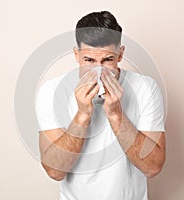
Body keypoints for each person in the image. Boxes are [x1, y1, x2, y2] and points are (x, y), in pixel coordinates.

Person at [36, 11, 166, 200]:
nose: (99, 70)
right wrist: (82, 115)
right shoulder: (51, 91)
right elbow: (55, 172)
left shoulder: (145, 88)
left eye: (107, 60)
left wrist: (116, 114)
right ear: (76, 54)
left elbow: (153, 167)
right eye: (89, 60)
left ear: (120, 54)